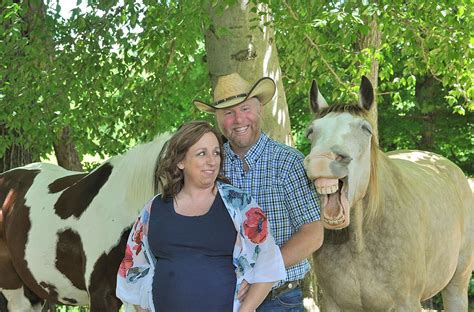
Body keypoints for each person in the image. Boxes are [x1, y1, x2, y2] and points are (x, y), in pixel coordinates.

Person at [116, 121, 286, 312]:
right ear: (180, 161)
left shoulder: (239, 205)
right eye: (202, 153)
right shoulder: (154, 209)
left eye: (216, 153)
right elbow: (133, 272)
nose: (212, 161)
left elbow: (268, 263)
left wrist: (245, 310)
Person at [194, 73, 323, 311]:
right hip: (220, 298)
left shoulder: (288, 162)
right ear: (218, 118)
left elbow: (313, 234)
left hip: (282, 299)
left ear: (260, 108)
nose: (238, 119)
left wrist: (257, 275)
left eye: (245, 109)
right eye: (228, 112)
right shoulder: (211, 165)